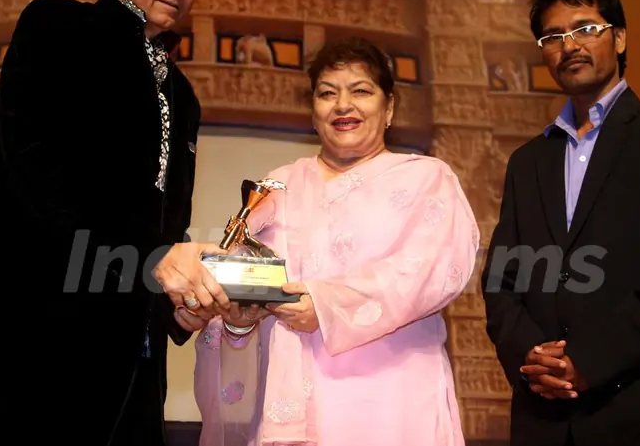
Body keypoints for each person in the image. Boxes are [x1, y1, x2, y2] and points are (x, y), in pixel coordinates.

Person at [0, 0, 230, 446]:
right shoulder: (57, 28)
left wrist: (176, 309)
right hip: (27, 334)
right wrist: (151, 258)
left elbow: (168, 225)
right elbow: (33, 174)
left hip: (130, 358)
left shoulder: (182, 97)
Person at [190, 37, 480, 446]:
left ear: (390, 107)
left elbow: (430, 270)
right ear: (313, 112)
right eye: (327, 93)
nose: (343, 105)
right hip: (289, 403)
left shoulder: (426, 179)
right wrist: (238, 321)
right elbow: (243, 277)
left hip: (392, 403)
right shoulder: (278, 185)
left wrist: (324, 307)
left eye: (361, 90)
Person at [481, 0, 640, 446]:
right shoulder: (528, 161)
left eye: (585, 29)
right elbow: (502, 279)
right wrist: (532, 357)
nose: (568, 46)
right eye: (552, 37)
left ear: (619, 38)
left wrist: (589, 362)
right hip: (542, 418)